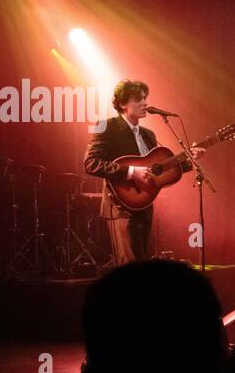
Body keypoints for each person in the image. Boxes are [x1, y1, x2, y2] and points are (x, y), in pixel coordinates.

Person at [83, 79, 204, 265]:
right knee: (129, 268)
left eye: (145, 98)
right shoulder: (105, 125)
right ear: (123, 103)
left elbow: (158, 170)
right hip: (121, 206)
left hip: (144, 204)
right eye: (138, 99)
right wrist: (131, 172)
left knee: (143, 265)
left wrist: (189, 161)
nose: (145, 103)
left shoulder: (149, 134)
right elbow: (91, 163)